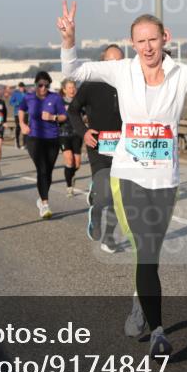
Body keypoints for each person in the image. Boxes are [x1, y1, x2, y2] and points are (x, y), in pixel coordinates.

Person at [59, 0, 187, 359]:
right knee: (144, 249)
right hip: (128, 173)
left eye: (152, 39)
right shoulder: (121, 71)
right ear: (132, 44)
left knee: (151, 256)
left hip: (165, 177)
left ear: (164, 37)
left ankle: (140, 302)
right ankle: (159, 333)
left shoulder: (181, 73)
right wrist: (69, 39)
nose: (147, 47)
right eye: (140, 41)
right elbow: (75, 71)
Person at [68, 44, 125, 253]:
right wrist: (83, 132)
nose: (117, 66)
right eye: (112, 62)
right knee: (106, 193)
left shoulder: (131, 83)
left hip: (125, 147)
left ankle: (109, 237)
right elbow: (72, 110)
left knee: (121, 196)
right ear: (103, 64)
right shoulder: (92, 84)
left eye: (120, 61)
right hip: (99, 146)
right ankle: (96, 211)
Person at [18, 70, 68, 218]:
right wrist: (22, 124)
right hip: (34, 138)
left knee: (49, 171)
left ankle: (41, 199)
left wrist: (53, 117)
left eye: (46, 86)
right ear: (36, 85)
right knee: (42, 169)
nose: (43, 88)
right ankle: (45, 204)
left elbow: (64, 116)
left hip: (52, 138)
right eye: (40, 85)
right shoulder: (29, 97)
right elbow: (21, 109)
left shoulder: (56, 98)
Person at [58, 79, 84, 196]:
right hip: (63, 134)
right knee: (69, 159)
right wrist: (57, 118)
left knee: (77, 164)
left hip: (77, 135)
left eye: (73, 87)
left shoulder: (80, 102)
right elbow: (54, 115)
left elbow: (86, 115)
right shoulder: (59, 102)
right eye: (69, 88)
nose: (72, 90)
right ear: (64, 90)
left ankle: (71, 175)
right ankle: (69, 186)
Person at [9, 82, 27, 148]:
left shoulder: (27, 94)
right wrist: (17, 103)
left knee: (25, 127)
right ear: (19, 88)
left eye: (23, 87)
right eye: (20, 87)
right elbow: (11, 102)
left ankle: (25, 143)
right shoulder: (15, 94)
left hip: (26, 113)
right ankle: (17, 142)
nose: (22, 88)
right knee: (18, 127)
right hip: (17, 113)